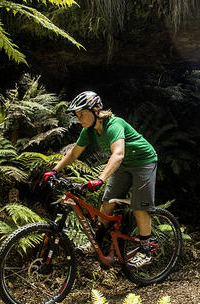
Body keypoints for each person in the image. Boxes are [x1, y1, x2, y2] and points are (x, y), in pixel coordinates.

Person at [43, 91, 159, 267]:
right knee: (107, 202)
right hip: (123, 165)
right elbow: (74, 152)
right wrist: (53, 170)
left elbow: (118, 154)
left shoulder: (114, 125)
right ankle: (96, 242)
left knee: (139, 206)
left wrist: (100, 179)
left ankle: (145, 250)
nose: (79, 118)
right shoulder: (88, 131)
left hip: (143, 162)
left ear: (95, 110)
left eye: (82, 114)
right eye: (77, 115)